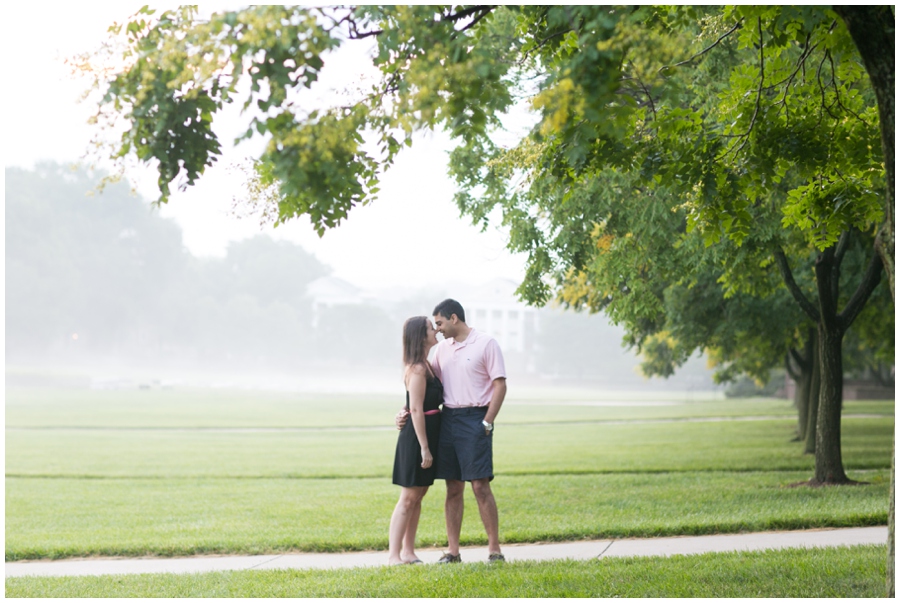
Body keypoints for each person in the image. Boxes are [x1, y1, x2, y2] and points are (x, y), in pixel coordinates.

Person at [396, 299, 507, 563]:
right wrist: (404, 410)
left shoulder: (486, 343)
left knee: (480, 486)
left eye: (440, 323)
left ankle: (494, 550)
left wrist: (487, 421)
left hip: (476, 418)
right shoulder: (441, 351)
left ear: (454, 318)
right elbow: (424, 391)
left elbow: (500, 385)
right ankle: (453, 552)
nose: (438, 329)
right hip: (449, 419)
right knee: (453, 487)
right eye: (434, 326)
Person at [388, 316, 443, 565]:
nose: (436, 331)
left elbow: (411, 403)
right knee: (408, 498)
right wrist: (424, 448)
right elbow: (417, 409)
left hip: (428, 432)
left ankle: (409, 552)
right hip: (417, 439)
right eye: (432, 328)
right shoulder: (418, 369)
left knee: (418, 495)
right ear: (421, 336)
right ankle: (393, 555)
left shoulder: (426, 365)